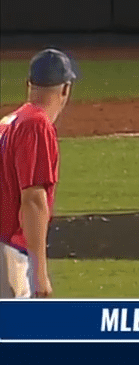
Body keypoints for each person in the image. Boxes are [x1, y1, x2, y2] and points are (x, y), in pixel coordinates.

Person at [1, 48, 79, 299]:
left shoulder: (9, 122)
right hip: (9, 253)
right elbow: (34, 200)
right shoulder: (36, 124)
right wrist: (39, 273)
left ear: (29, 84)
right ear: (65, 89)